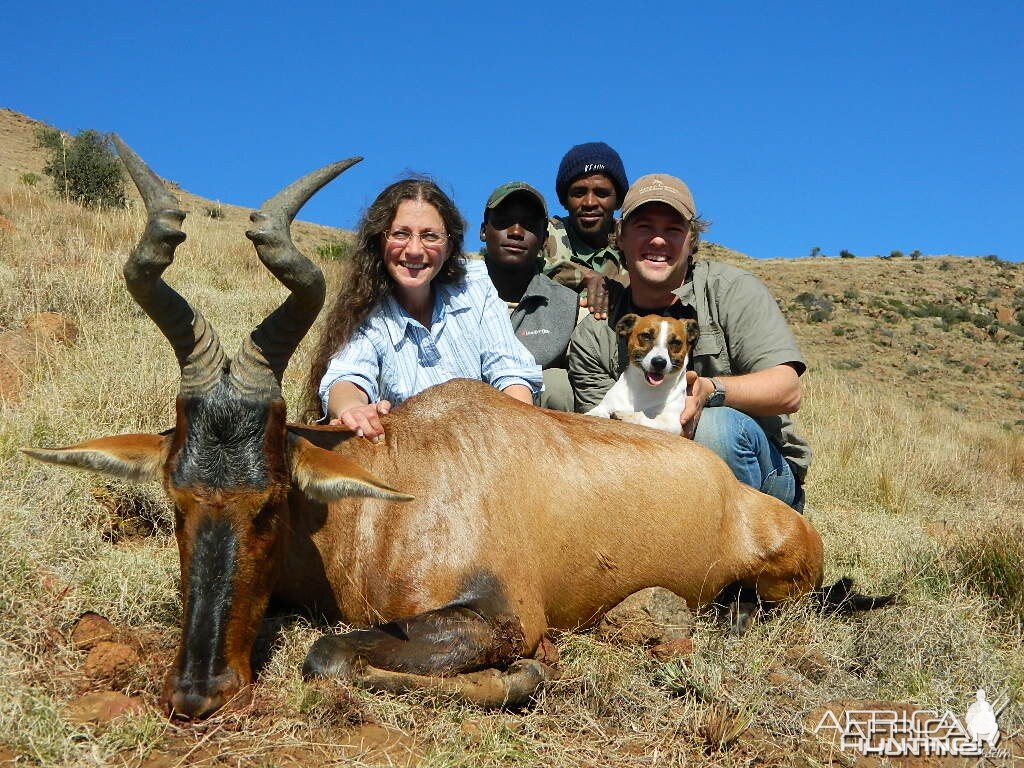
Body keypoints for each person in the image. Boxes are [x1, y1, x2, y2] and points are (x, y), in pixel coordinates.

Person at [568, 174, 811, 510]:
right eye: (643, 227)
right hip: (657, 476)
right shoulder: (597, 327)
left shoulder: (732, 290)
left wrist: (711, 391)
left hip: (760, 477)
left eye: (672, 229)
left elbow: (788, 390)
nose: (657, 240)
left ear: (691, 240)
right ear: (620, 238)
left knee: (715, 430)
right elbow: (600, 433)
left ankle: (741, 552)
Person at [303, 178, 542, 441]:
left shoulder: (475, 286)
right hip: (413, 459)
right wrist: (353, 410)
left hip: (485, 447)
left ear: (449, 245)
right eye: (400, 234)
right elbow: (348, 377)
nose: (415, 250)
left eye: (430, 236)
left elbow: (510, 371)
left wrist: (518, 429)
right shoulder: (366, 308)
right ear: (379, 241)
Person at [481, 182, 579, 412]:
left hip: (533, 429)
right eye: (504, 222)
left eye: (528, 225)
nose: (515, 232)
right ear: (483, 230)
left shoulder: (568, 304)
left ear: (545, 239)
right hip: (465, 416)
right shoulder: (451, 293)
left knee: (557, 384)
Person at [545, 142, 630, 319]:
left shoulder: (634, 246)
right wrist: (584, 276)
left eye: (602, 193)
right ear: (564, 200)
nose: (589, 203)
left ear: (619, 200)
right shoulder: (543, 234)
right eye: (579, 192)